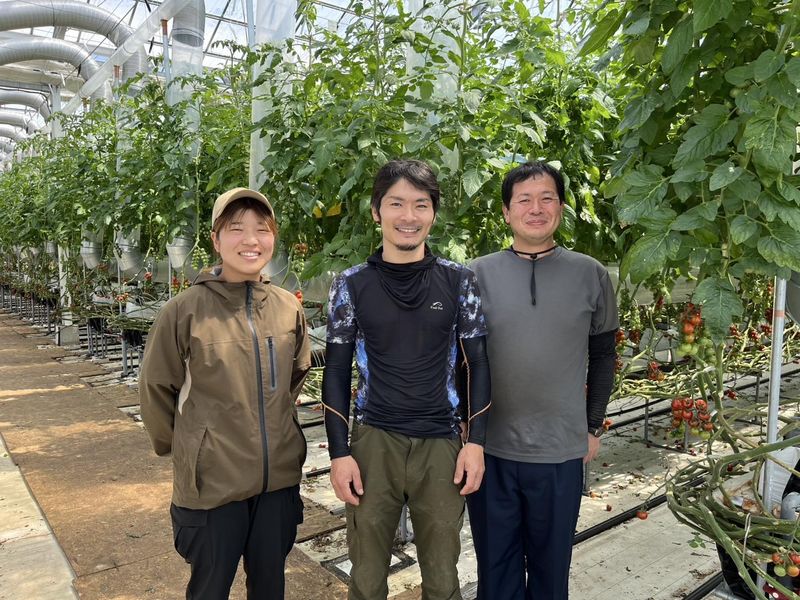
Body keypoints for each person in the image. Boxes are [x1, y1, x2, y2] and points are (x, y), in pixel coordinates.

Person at [321, 159, 491, 600]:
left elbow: (477, 364)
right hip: (373, 442)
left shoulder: (459, 282)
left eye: (420, 204)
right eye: (396, 203)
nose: (408, 216)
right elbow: (336, 369)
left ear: (433, 213)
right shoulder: (351, 285)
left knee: (443, 575)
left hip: (441, 444)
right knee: (366, 574)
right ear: (376, 211)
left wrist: (475, 443)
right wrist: (339, 453)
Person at [139, 187, 311, 599]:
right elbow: (156, 387)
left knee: (270, 587)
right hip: (213, 486)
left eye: (262, 229)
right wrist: (190, 448)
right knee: (210, 588)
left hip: (276, 483)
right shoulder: (184, 311)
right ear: (216, 240)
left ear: (273, 238)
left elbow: (296, 374)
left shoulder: (287, 307)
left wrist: (280, 430)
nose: (251, 240)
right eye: (236, 228)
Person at [466, 161, 619, 600]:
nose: (536, 209)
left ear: (561, 208)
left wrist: (593, 424)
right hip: (490, 449)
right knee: (495, 570)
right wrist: (467, 429)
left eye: (547, 198)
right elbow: (460, 358)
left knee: (551, 572)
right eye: (524, 200)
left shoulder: (591, 274)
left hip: (560, 450)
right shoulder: (475, 274)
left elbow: (603, 355)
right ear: (506, 212)